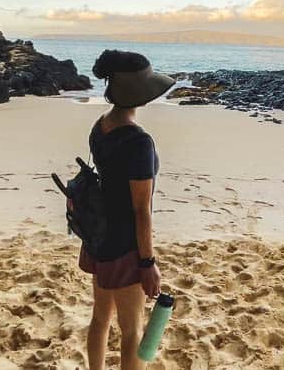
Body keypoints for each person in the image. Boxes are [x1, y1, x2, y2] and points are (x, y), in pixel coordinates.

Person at [79, 49, 175, 370]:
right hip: (124, 247)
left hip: (98, 237)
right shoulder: (138, 142)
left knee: (99, 319)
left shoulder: (100, 126)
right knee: (132, 331)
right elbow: (141, 210)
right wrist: (148, 263)